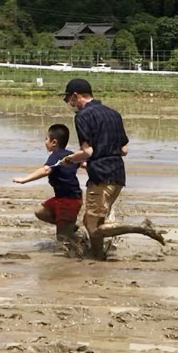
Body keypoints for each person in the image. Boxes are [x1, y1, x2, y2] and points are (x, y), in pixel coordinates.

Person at [60, 78, 129, 260]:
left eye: (68, 99)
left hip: (100, 176)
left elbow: (87, 151)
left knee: (92, 224)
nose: (69, 103)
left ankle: (97, 255)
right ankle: (103, 248)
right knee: (94, 219)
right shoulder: (113, 114)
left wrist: (68, 159)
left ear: (76, 96)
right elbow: (124, 149)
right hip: (118, 175)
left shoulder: (83, 116)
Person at [13, 123, 82, 243]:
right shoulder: (70, 155)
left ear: (54, 142)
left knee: (62, 239)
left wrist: (25, 180)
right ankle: (68, 227)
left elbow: (45, 171)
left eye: (46, 139)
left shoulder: (56, 156)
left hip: (68, 200)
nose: (45, 142)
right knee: (41, 211)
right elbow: (83, 163)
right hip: (65, 197)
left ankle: (80, 245)